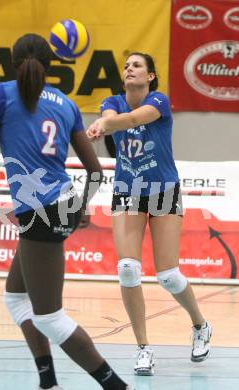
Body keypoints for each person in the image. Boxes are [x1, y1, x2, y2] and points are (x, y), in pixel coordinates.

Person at [0, 34, 132, 390]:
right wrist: (79, 208)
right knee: (15, 297)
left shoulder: (2, 94)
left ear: (13, 62)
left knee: (50, 316)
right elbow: (97, 170)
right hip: (63, 202)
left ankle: (116, 386)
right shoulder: (66, 104)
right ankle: (48, 381)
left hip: (40, 210)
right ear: (50, 64)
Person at [86, 52, 212, 376]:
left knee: (168, 275)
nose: (129, 69)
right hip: (128, 192)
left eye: (137, 65)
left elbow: (131, 120)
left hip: (163, 190)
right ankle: (143, 348)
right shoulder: (111, 102)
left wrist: (103, 125)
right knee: (128, 269)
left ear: (150, 76)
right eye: (127, 66)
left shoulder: (159, 101)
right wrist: (105, 119)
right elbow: (115, 114)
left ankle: (200, 324)